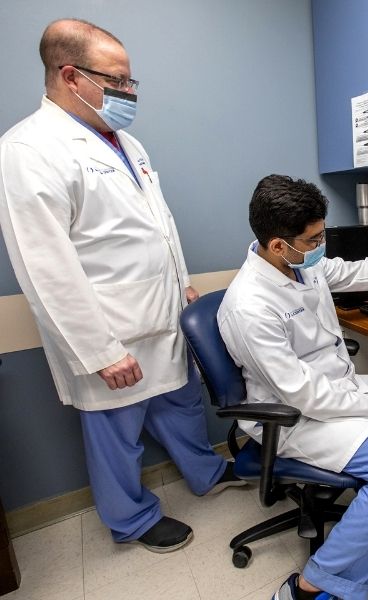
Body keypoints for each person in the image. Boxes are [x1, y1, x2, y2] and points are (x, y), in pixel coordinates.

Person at [0, 19, 244, 553]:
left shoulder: (125, 142)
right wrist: (98, 351)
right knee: (117, 433)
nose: (129, 92)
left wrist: (183, 286)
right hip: (109, 332)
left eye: (131, 82)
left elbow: (157, 225)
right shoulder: (28, 148)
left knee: (181, 405)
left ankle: (205, 473)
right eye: (119, 81)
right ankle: (130, 518)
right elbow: (45, 266)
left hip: (163, 315)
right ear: (71, 75)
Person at [218, 174, 368, 600]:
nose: (321, 247)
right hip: (294, 414)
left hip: (331, 385)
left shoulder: (297, 265)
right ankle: (312, 586)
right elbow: (302, 394)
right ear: (278, 245)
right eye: (314, 240)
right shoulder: (249, 306)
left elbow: (353, 272)